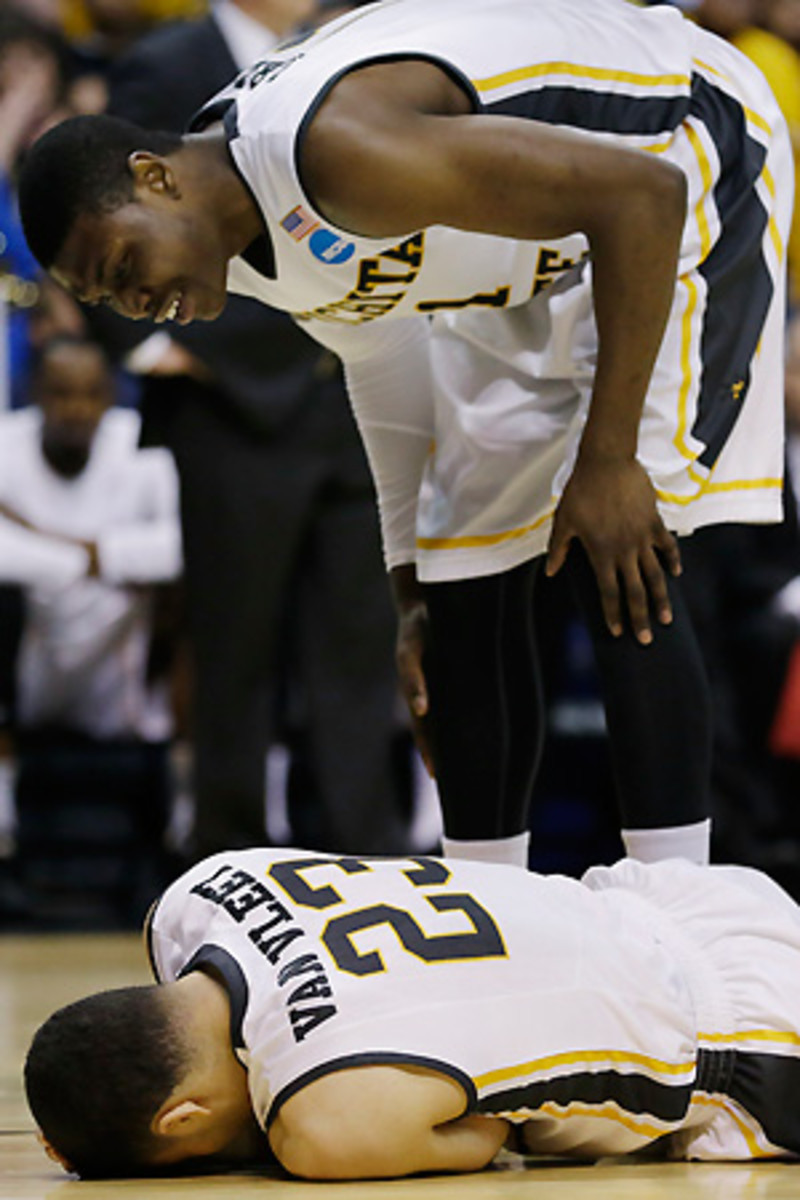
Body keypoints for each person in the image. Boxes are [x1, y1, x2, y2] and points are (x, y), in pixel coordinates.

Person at [16, 0, 793, 871]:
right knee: (460, 580)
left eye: (125, 266)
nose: (133, 302)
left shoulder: (334, 151)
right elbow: (381, 354)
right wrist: (407, 587)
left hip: (682, 156)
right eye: (106, 299)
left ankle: (675, 907)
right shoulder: (236, 232)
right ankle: (487, 905)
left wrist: (608, 457)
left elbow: (640, 199)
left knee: (623, 539)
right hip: (539, 243)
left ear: (155, 177)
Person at [93, 0, 414, 859]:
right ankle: (228, 857)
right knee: (234, 650)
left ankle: (369, 857)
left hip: (350, 389)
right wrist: (145, 342)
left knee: (357, 647)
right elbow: (93, 212)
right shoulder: (167, 61)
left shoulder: (348, 45)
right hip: (228, 405)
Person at [24, 844, 800, 1179]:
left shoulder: (322, 1125)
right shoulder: (198, 891)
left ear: (182, 1119)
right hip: (655, 898)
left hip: (744, 1042)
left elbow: (485, 1132)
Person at [0, 333, 182, 921]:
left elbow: (186, 549)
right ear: (33, 393)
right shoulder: (7, 446)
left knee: (202, 604)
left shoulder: (142, 448)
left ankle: (179, 833)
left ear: (109, 397)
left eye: (88, 395)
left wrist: (50, 544)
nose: (75, 410)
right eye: (60, 394)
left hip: (128, 658)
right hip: (27, 658)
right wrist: (99, 562)